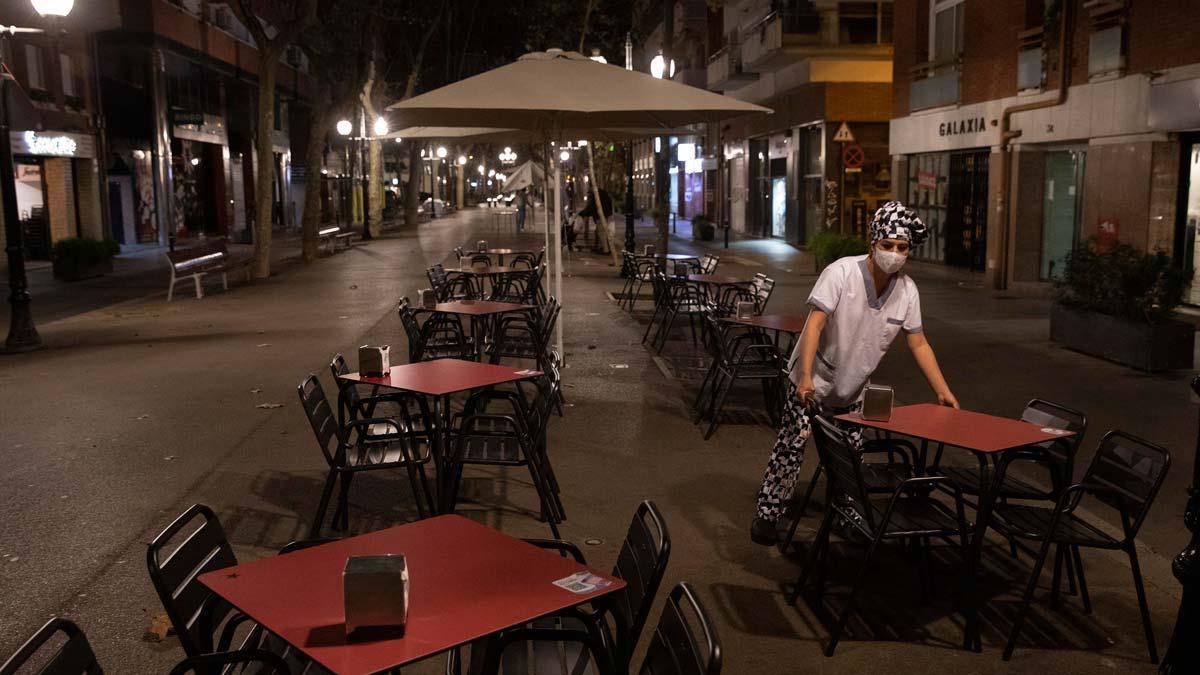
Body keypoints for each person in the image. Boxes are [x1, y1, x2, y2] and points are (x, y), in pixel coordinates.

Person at [750, 201, 959, 546]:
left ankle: (846, 516)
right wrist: (804, 378)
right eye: (888, 245)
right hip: (812, 381)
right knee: (791, 447)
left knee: (849, 459)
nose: (894, 253)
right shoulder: (841, 273)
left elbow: (918, 342)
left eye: (902, 247)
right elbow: (814, 325)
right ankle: (769, 514)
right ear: (873, 243)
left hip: (854, 389)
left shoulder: (907, 291)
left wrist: (942, 390)